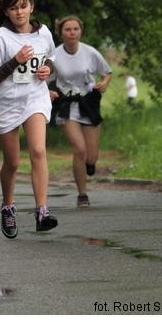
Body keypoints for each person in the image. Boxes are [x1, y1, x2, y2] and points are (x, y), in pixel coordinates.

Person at [0, 0, 58, 239]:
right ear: (6, 11)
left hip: (35, 98)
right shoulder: (0, 38)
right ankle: (8, 206)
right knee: (12, 162)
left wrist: (47, 69)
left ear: (31, 7)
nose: (19, 12)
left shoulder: (43, 32)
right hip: (6, 103)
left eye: (23, 6)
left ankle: (42, 211)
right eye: (13, 8)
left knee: (38, 151)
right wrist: (15, 61)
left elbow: (51, 57)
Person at [48, 16, 112, 207]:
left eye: (76, 29)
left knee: (91, 156)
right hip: (67, 105)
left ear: (80, 31)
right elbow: (42, 79)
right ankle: (82, 194)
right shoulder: (54, 55)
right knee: (79, 150)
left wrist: (104, 82)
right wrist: (48, 91)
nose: (72, 33)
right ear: (61, 33)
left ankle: (90, 164)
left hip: (88, 103)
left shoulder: (90, 52)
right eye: (67, 29)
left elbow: (106, 72)